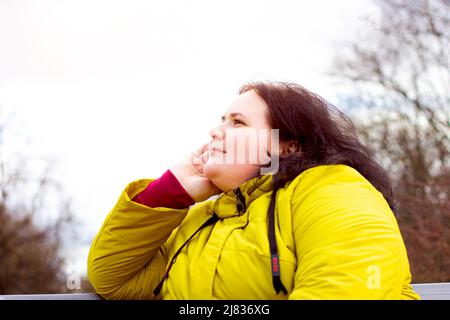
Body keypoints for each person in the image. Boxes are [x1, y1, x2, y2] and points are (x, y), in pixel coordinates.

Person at [87, 81, 421, 300]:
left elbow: (351, 289)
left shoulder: (333, 190)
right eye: (222, 120)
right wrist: (169, 191)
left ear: (286, 146)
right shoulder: (204, 219)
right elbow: (113, 280)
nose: (215, 131)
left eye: (238, 122)